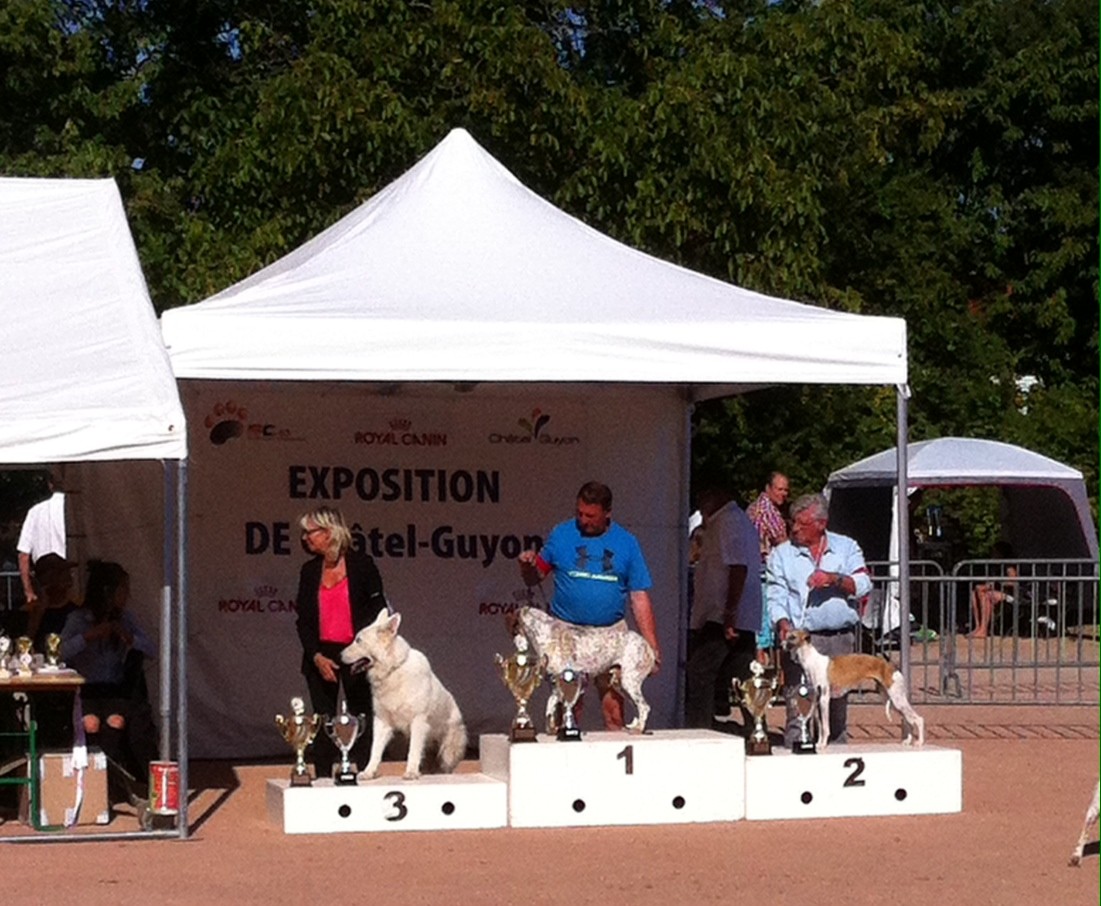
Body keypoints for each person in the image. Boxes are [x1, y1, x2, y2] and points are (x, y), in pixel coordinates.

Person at [518, 481, 661, 730]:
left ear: (607, 513)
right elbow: (535, 578)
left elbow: (639, 596)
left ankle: (616, 762)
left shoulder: (627, 542)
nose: (583, 520)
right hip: (567, 635)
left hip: (611, 635)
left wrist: (652, 646)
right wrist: (526, 565)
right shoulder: (561, 534)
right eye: (580, 514)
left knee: (614, 711)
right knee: (569, 710)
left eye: (590, 516)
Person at [767, 493, 871, 748]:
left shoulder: (846, 547)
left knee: (836, 710)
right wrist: (782, 622)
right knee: (797, 705)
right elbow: (775, 594)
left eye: (802, 524)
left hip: (839, 640)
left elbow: (863, 583)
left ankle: (836, 753)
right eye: (794, 522)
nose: (795, 528)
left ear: (821, 523)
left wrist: (834, 579)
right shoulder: (781, 555)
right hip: (801, 641)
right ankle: (796, 752)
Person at [295, 505, 387, 780]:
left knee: (361, 715)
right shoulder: (309, 571)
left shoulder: (362, 565)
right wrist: (316, 656)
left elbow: (378, 611)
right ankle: (323, 776)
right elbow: (303, 621)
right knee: (323, 719)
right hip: (321, 654)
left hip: (356, 653)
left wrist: (366, 654)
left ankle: (364, 773)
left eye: (309, 532)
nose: (305, 538)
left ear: (329, 532)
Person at [60, 560, 158, 802]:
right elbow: (60, 651)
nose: (127, 595)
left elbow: (152, 649)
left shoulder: (126, 618)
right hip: (85, 689)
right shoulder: (78, 618)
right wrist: (88, 637)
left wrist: (128, 637)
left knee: (115, 722)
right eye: (123, 589)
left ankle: (113, 786)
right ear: (107, 592)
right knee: (91, 723)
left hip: (115, 689)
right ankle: (95, 785)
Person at [685, 487, 762, 730]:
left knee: (700, 673)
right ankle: (754, 730)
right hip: (733, 615)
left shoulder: (728, 522)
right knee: (743, 676)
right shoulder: (737, 521)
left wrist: (729, 614)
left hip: (723, 617)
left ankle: (700, 732)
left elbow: (738, 567)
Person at [16, 470, 68, 608]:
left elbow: (23, 555)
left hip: (43, 577)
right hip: (67, 576)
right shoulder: (74, 510)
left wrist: (29, 592)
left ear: (50, 484)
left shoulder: (34, 512)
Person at [970, 541, 1018, 639]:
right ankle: (978, 626)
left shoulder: (1008, 565)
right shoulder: (995, 566)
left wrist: (998, 582)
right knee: (975, 592)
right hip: (999, 591)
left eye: (995, 552)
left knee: (987, 595)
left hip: (1010, 594)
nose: (993, 554)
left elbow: (1013, 582)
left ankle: (984, 628)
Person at [746, 471, 790, 564]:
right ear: (768, 488)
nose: (784, 493)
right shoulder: (766, 509)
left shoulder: (755, 506)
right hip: (763, 565)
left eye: (786, 490)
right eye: (779, 489)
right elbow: (782, 541)